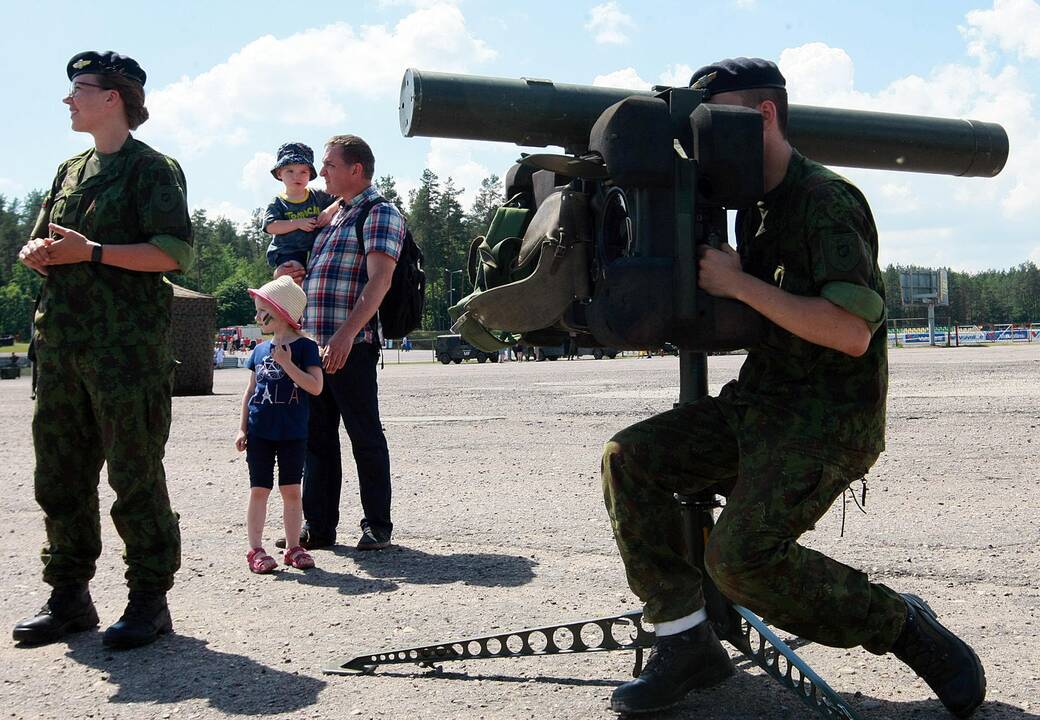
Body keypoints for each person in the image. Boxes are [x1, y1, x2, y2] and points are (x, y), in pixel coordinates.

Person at [602, 58, 985, 717]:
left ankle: (900, 624)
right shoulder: (748, 209)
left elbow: (850, 331)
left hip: (827, 418)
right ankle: (684, 638)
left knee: (741, 560)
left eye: (711, 124)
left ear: (763, 116)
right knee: (629, 458)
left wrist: (737, 283)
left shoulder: (825, 202)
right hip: (760, 404)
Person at [13, 51, 193, 649]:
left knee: (134, 473)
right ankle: (69, 597)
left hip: (125, 352)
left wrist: (93, 251)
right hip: (61, 347)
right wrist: (34, 255)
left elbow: (173, 253)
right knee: (59, 475)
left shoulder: (152, 170)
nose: (68, 100)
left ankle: (149, 598)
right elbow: (41, 244)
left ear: (113, 96)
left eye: (78, 89)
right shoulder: (68, 171)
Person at [274, 134, 404, 551]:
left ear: (356, 170)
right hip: (315, 345)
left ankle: (377, 526)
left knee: (364, 434)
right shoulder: (336, 216)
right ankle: (320, 525)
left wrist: (346, 335)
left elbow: (380, 281)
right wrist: (297, 270)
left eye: (329, 165)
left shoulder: (379, 213)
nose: (320, 172)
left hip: (353, 344)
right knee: (318, 437)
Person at [235, 276, 324, 574]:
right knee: (259, 489)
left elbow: (315, 386)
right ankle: (255, 549)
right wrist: (242, 429)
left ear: (282, 312)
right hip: (260, 433)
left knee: (291, 491)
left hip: (292, 434)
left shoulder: (306, 348)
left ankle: (293, 547)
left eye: (263, 311)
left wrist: (287, 364)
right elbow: (250, 393)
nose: (258, 317)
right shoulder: (258, 351)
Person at [263, 142, 340, 268]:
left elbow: (342, 197)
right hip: (287, 252)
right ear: (279, 174)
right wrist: (298, 223)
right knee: (294, 270)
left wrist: (329, 210)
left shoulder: (318, 195)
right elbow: (271, 226)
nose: (296, 177)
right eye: (290, 171)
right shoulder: (278, 202)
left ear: (310, 174)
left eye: (303, 172)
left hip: (317, 250)